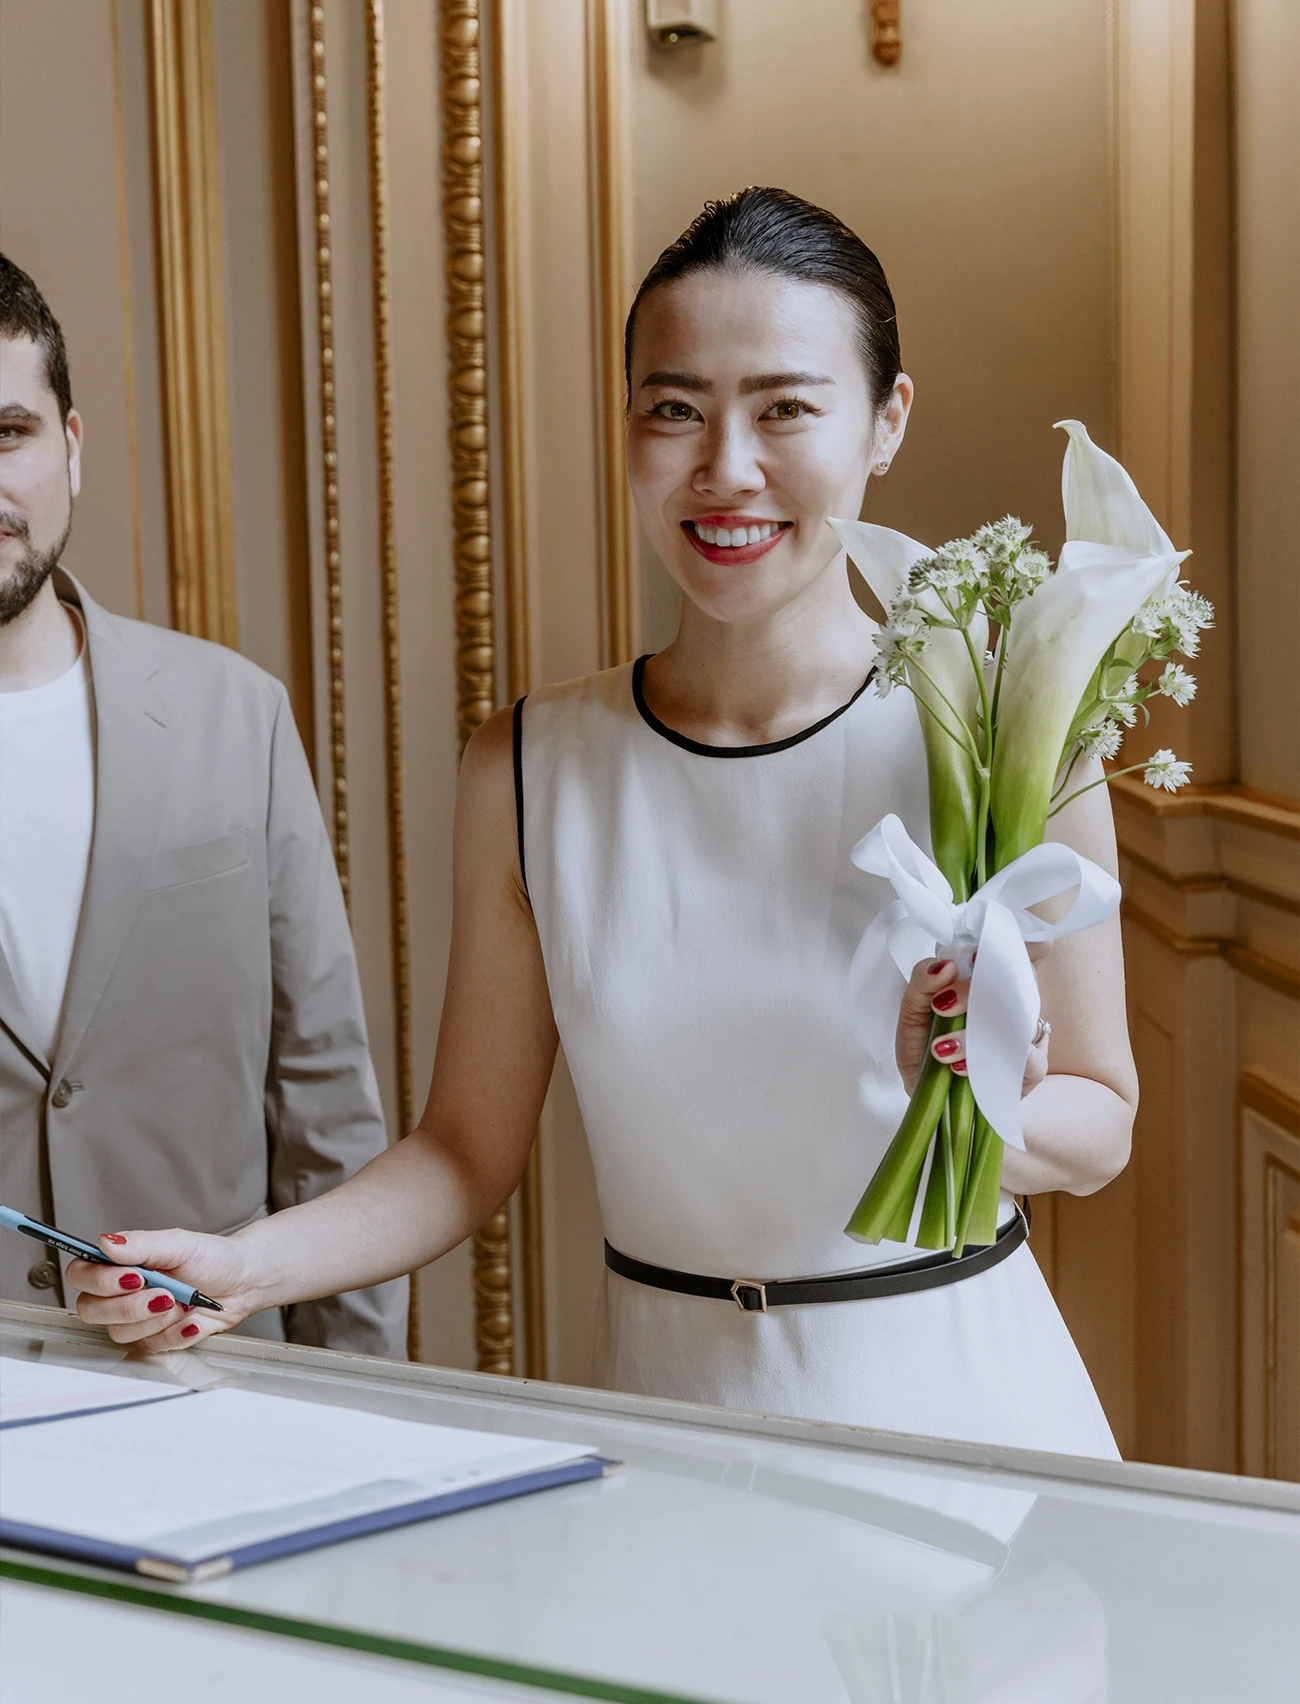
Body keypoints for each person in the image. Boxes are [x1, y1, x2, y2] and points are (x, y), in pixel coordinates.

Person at [70, 191, 1136, 1456]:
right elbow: (463, 1154)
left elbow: (1099, 1118)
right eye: (673, 409)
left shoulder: (1009, 722)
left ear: (886, 420)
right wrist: (242, 1266)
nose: (724, 468)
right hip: (661, 1416)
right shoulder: (529, 764)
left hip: (964, 1417)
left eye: (785, 409)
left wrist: (975, 1101)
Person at [0, 253, 406, 1356]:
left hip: (216, 1384)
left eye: (8, 432)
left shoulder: (237, 715)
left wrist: (360, 1405)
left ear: (69, 446)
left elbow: (324, 1101)